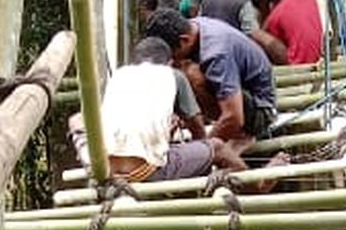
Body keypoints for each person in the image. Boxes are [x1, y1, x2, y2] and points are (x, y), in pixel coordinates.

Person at [70, 37, 249, 183]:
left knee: (77, 119)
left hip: (105, 169)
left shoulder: (120, 75)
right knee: (216, 147)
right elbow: (199, 132)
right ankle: (257, 185)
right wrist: (203, 157)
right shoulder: (173, 75)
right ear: (170, 63)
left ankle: (91, 162)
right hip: (143, 171)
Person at [145, 8, 278, 143]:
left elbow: (234, 116)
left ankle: (240, 136)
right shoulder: (192, 27)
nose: (173, 59)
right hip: (240, 94)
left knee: (190, 75)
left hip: (260, 111)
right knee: (179, 72)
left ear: (184, 40)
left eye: (173, 54)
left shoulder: (216, 53)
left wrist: (203, 149)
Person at [198, 0, 288, 63]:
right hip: (233, 57)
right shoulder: (242, 2)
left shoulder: (207, 1)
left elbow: (200, 26)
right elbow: (254, 33)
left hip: (210, 54)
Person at [263, 0, 323, 65]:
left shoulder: (277, 14)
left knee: (257, 34)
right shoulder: (311, 0)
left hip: (295, 64)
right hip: (316, 60)